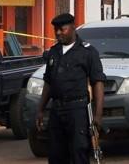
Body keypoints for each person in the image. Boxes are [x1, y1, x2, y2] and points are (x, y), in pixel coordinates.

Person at [36, 13, 106, 164]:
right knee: (56, 154)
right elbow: (48, 82)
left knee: (78, 152)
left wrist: (98, 115)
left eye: (62, 29)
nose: (58, 33)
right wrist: (41, 109)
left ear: (73, 27)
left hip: (78, 110)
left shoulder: (87, 52)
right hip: (57, 110)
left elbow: (98, 83)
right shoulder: (54, 52)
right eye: (56, 30)